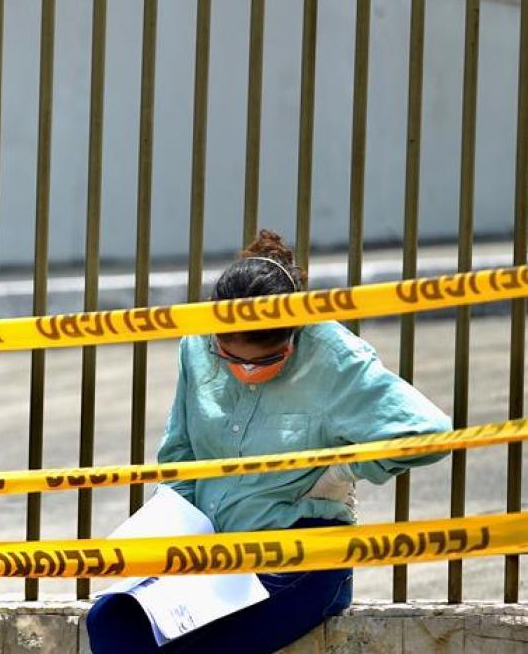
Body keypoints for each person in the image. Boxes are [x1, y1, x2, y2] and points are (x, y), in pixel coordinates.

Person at [85, 230, 452, 654]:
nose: (246, 372)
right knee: (111, 623)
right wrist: (168, 536)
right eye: (230, 357)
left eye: (266, 361)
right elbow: (180, 455)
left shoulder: (334, 357)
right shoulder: (197, 344)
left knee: (197, 645)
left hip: (302, 551)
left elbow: (429, 432)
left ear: (294, 335)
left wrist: (343, 471)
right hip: (213, 549)